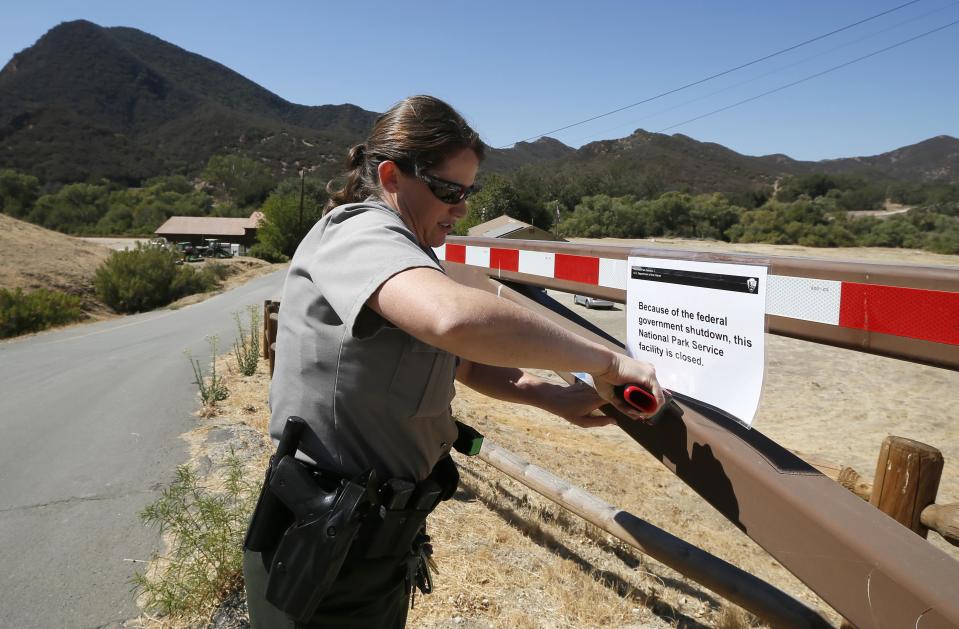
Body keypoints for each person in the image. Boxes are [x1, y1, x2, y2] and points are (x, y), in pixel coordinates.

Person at [243, 95, 663, 628]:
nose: (462, 209)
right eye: (448, 190)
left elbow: (457, 358)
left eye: (469, 192)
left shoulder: (411, 252)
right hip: (323, 538)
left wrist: (550, 395)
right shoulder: (358, 231)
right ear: (392, 176)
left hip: (369, 537)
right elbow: (453, 321)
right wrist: (606, 361)